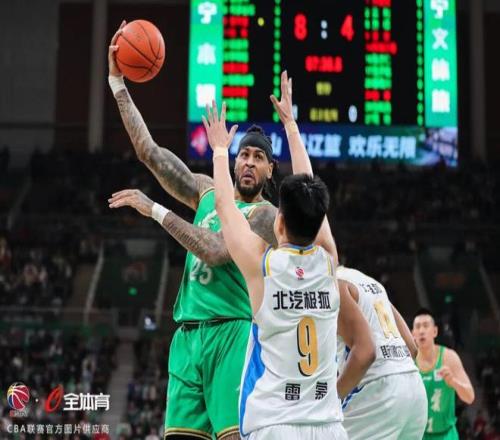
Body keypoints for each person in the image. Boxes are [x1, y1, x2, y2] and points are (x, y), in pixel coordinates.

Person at [108, 22, 277, 440]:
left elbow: (217, 251)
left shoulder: (264, 215)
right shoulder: (206, 190)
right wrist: (118, 84)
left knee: (233, 436)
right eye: (244, 155)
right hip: (187, 335)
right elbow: (149, 152)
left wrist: (155, 210)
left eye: (258, 158)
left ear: (270, 170)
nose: (249, 162)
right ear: (233, 161)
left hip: (232, 332)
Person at [201, 72, 375, 439]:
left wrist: (219, 150)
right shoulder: (329, 262)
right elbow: (309, 189)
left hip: (273, 425)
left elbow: (223, 205)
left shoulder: (263, 266)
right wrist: (291, 126)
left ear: (279, 223)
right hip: (328, 427)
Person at [336, 266, 427, 439]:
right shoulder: (373, 284)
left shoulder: (331, 286)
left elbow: (365, 353)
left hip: (377, 391)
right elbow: (412, 347)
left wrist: (332, 399)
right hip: (414, 388)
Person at [413, 308, 475, 439]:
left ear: (435, 331)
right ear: (413, 333)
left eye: (425, 326)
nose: (421, 331)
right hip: (419, 435)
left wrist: (454, 382)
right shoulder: (409, 362)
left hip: (446, 435)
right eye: (417, 327)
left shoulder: (449, 357)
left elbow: (470, 397)